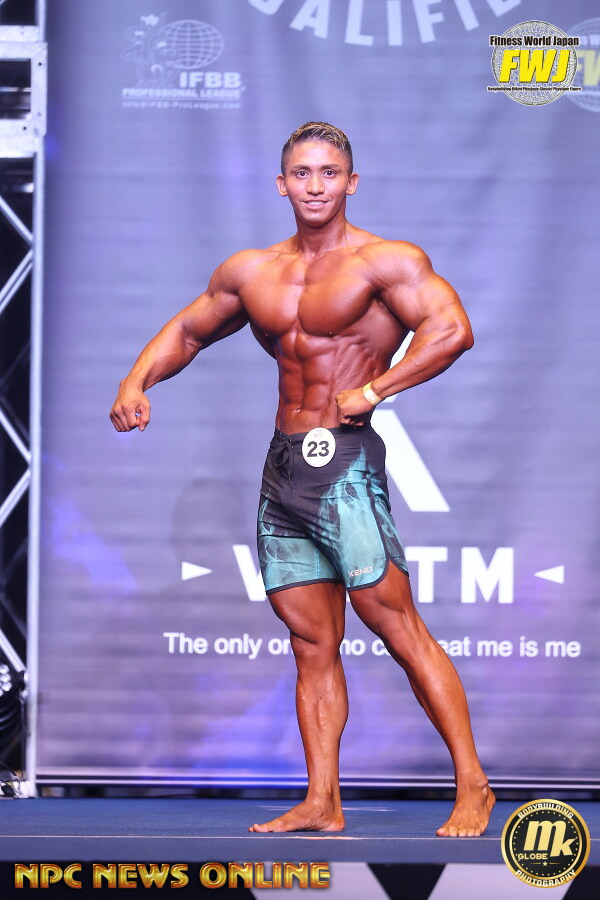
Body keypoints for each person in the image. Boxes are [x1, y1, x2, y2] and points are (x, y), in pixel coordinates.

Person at [110, 122, 495, 838]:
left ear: (351, 182)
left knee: (397, 626)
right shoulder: (252, 270)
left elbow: (452, 331)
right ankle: (322, 801)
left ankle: (473, 784)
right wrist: (136, 381)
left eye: (329, 172)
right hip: (283, 469)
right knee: (310, 643)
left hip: (346, 465)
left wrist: (375, 391)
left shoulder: (386, 261)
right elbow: (189, 332)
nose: (315, 185)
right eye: (302, 173)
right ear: (282, 184)